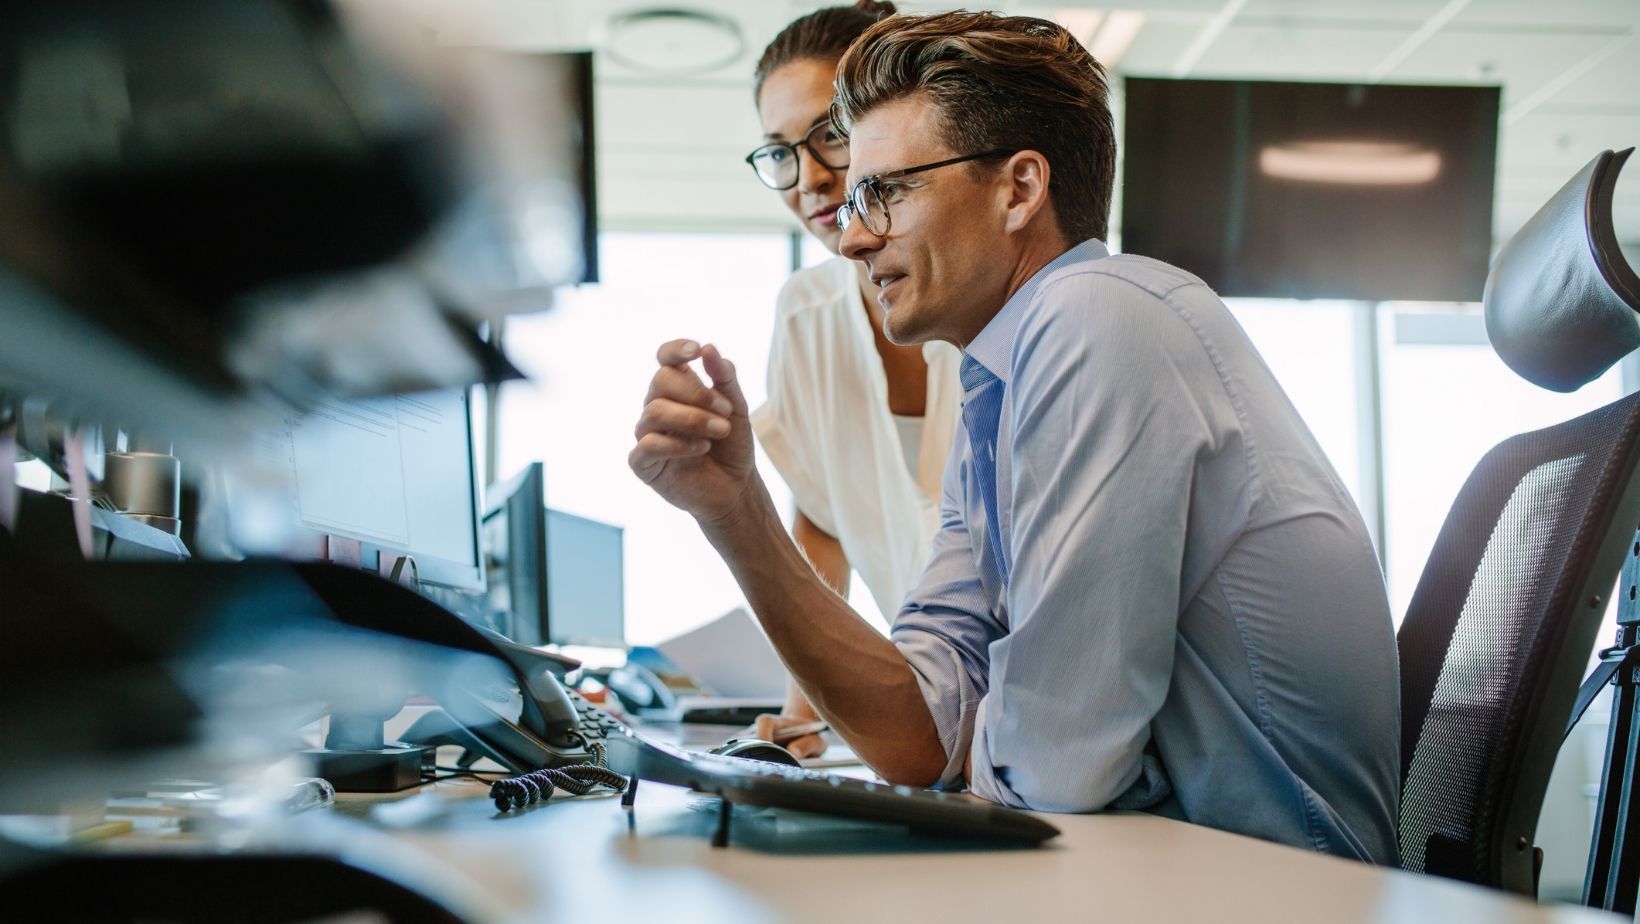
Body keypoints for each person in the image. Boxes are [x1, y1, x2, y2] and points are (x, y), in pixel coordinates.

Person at [630, 11, 1401, 863]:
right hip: (1161, 862)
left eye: (884, 191)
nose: (850, 236)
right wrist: (734, 511)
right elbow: (919, 735)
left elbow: (1055, 769)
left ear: (1020, 189)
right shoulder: (993, 392)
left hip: (1275, 883)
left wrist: (971, 744)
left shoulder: (1100, 318)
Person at [743, 1, 963, 758]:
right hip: (933, 722)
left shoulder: (994, 294)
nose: (808, 178)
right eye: (779, 152)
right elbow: (823, 522)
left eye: (831, 135)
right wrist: (803, 713)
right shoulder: (806, 317)